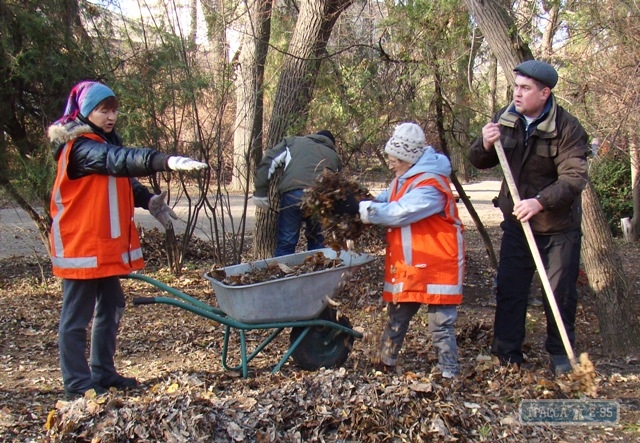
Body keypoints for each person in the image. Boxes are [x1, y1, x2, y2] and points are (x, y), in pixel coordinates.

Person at [47, 80, 208, 399]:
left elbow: (120, 179)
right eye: (102, 110)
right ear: (84, 112)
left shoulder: (102, 142)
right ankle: (78, 385)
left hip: (100, 247)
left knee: (112, 303)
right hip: (81, 246)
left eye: (113, 110)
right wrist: (163, 161)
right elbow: (116, 161)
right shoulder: (81, 147)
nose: (110, 117)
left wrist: (148, 199)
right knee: (76, 318)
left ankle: (102, 372)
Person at [469, 60, 589, 376]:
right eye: (515, 87)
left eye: (525, 88)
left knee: (560, 292)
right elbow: (478, 160)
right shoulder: (505, 118)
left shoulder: (568, 128)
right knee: (510, 288)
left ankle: (561, 356)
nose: (517, 94)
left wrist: (539, 202)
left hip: (557, 228)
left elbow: (575, 177)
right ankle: (507, 355)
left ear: (545, 93)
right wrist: (484, 143)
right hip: (516, 226)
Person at [335, 122, 465, 378]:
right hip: (411, 265)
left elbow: (400, 212)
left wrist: (359, 210)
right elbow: (382, 201)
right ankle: (386, 362)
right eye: (389, 158)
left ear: (409, 159)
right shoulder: (402, 180)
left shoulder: (431, 185)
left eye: (395, 159)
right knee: (397, 315)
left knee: (440, 324)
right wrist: (354, 202)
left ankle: (450, 372)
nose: (390, 164)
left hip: (438, 264)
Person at [253, 130, 342, 257]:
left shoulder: (293, 142)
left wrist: (260, 191)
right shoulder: (334, 156)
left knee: (286, 242)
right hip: (320, 199)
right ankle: (316, 273)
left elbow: (269, 160)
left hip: (293, 195)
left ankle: (282, 273)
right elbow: (338, 189)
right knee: (317, 240)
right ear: (331, 143)